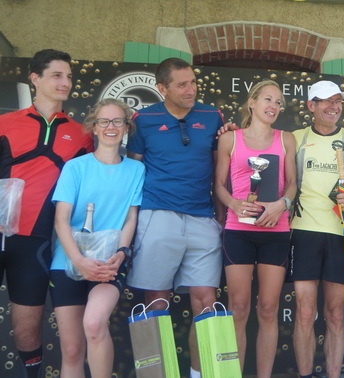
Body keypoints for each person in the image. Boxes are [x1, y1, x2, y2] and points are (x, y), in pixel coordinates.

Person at [126, 57, 226, 378]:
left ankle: (202, 374)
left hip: (202, 217)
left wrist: (221, 219)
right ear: (162, 88)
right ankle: (156, 374)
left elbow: (219, 173)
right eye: (182, 84)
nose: (191, 89)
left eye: (194, 82)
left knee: (207, 303)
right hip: (157, 214)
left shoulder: (213, 116)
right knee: (156, 302)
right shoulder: (143, 119)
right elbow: (133, 170)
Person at [0, 49, 94, 377]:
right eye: (57, 75)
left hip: (35, 243)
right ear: (35, 79)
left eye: (68, 76)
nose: (65, 82)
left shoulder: (84, 135)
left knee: (27, 328)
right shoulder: (5, 123)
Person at [50, 98, 144, 377]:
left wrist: (122, 253)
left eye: (118, 121)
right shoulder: (75, 167)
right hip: (67, 262)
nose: (111, 127)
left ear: (126, 127)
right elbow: (61, 220)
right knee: (72, 350)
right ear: (93, 126)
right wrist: (78, 260)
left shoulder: (136, 170)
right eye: (104, 121)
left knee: (93, 324)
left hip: (109, 264)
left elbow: (130, 218)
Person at [289, 80, 344, 378]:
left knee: (336, 314)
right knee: (305, 313)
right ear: (311, 106)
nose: (333, 106)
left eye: (338, 101)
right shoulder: (295, 138)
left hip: (341, 235)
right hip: (304, 232)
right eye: (326, 101)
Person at [215, 80, 296, 377]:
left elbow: (292, 184)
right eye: (267, 100)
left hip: (275, 231)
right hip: (238, 231)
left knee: (268, 310)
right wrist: (234, 205)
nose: (273, 106)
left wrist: (282, 205)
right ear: (252, 102)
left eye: (278, 102)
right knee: (238, 308)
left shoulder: (286, 139)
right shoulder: (230, 139)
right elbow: (218, 187)